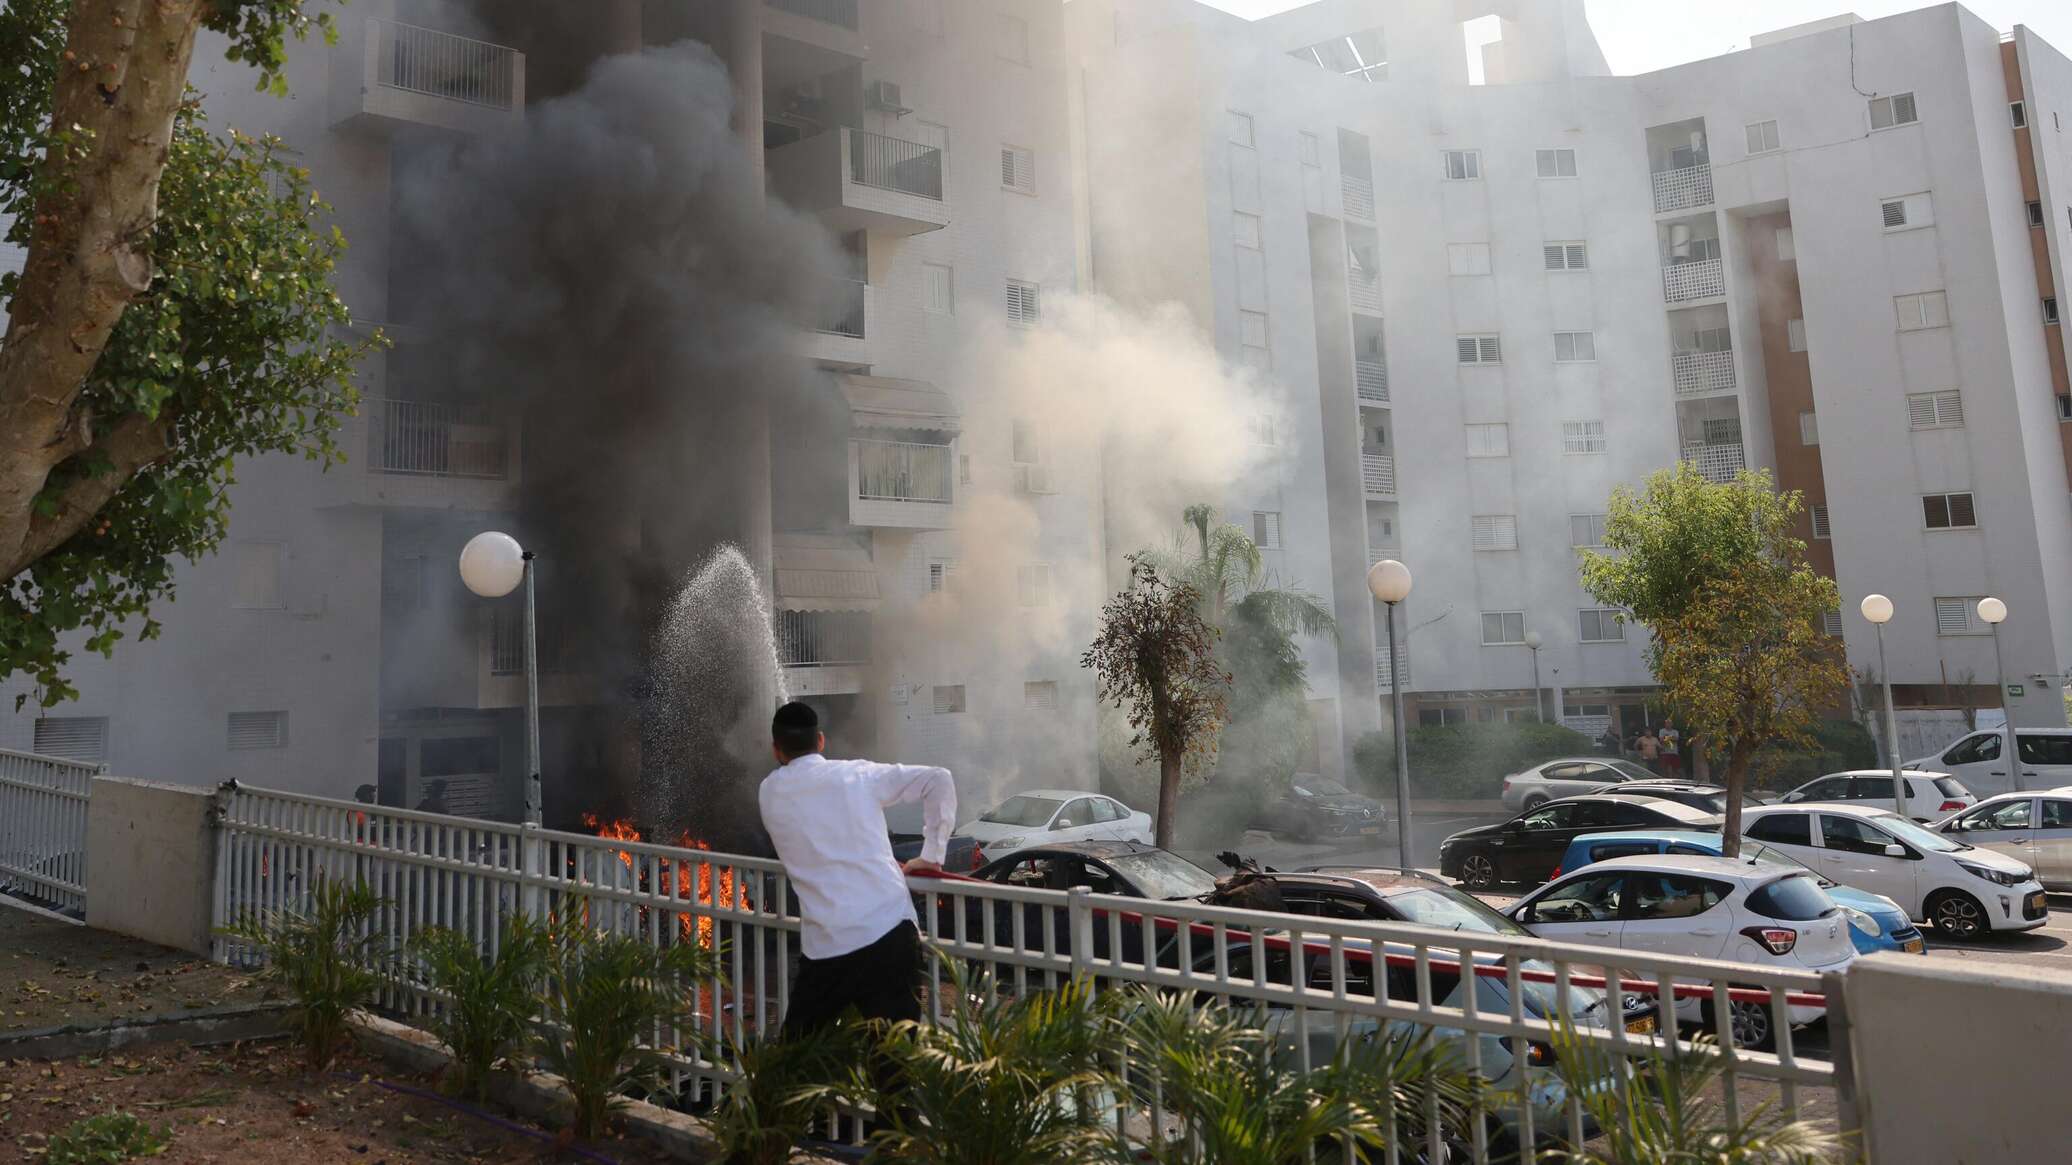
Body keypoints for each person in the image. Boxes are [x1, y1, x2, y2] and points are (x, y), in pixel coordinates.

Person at [759, 701, 955, 1038]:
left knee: (797, 1061)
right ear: (820, 741)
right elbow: (939, 779)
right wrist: (932, 856)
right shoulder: (856, 774)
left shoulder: (768, 792)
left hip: (825, 948)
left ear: (776, 750)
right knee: (895, 1064)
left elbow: (821, 834)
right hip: (888, 933)